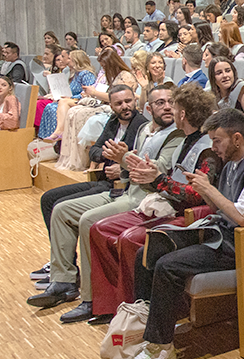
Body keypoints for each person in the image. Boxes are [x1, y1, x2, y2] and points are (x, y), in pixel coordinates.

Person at [122, 108, 244, 359]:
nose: (213, 147)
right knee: (146, 252)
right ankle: (150, 328)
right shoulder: (231, 162)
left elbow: (243, 219)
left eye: (217, 141)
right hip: (221, 233)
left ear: (237, 138)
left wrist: (209, 190)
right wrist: (205, 190)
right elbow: (221, 208)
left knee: (168, 266)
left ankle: (161, 348)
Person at [82, 84, 219, 325]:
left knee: (129, 239)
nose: (170, 110)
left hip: (188, 215)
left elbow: (197, 195)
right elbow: (169, 177)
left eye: (173, 106)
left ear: (183, 114)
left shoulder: (207, 149)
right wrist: (152, 175)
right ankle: (111, 306)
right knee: (99, 229)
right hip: (164, 203)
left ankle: (136, 308)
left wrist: (157, 180)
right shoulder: (186, 140)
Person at [28, 85, 167, 315]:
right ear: (111, 106)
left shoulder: (141, 126)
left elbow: (151, 167)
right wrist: (114, 159)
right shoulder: (119, 124)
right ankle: (63, 280)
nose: (125, 106)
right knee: (58, 208)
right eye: (119, 103)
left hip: (126, 189)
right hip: (112, 181)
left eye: (128, 101)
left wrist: (121, 162)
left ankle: (91, 297)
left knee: (86, 219)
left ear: (137, 103)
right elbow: (94, 151)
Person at [38, 49, 96, 139]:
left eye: (69, 58)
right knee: (49, 106)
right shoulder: (76, 74)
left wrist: (71, 97)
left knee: (53, 109)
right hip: (70, 99)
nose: (67, 61)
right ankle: (47, 136)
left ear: (76, 60)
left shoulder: (86, 74)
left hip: (81, 101)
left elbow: (88, 93)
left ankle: (58, 138)